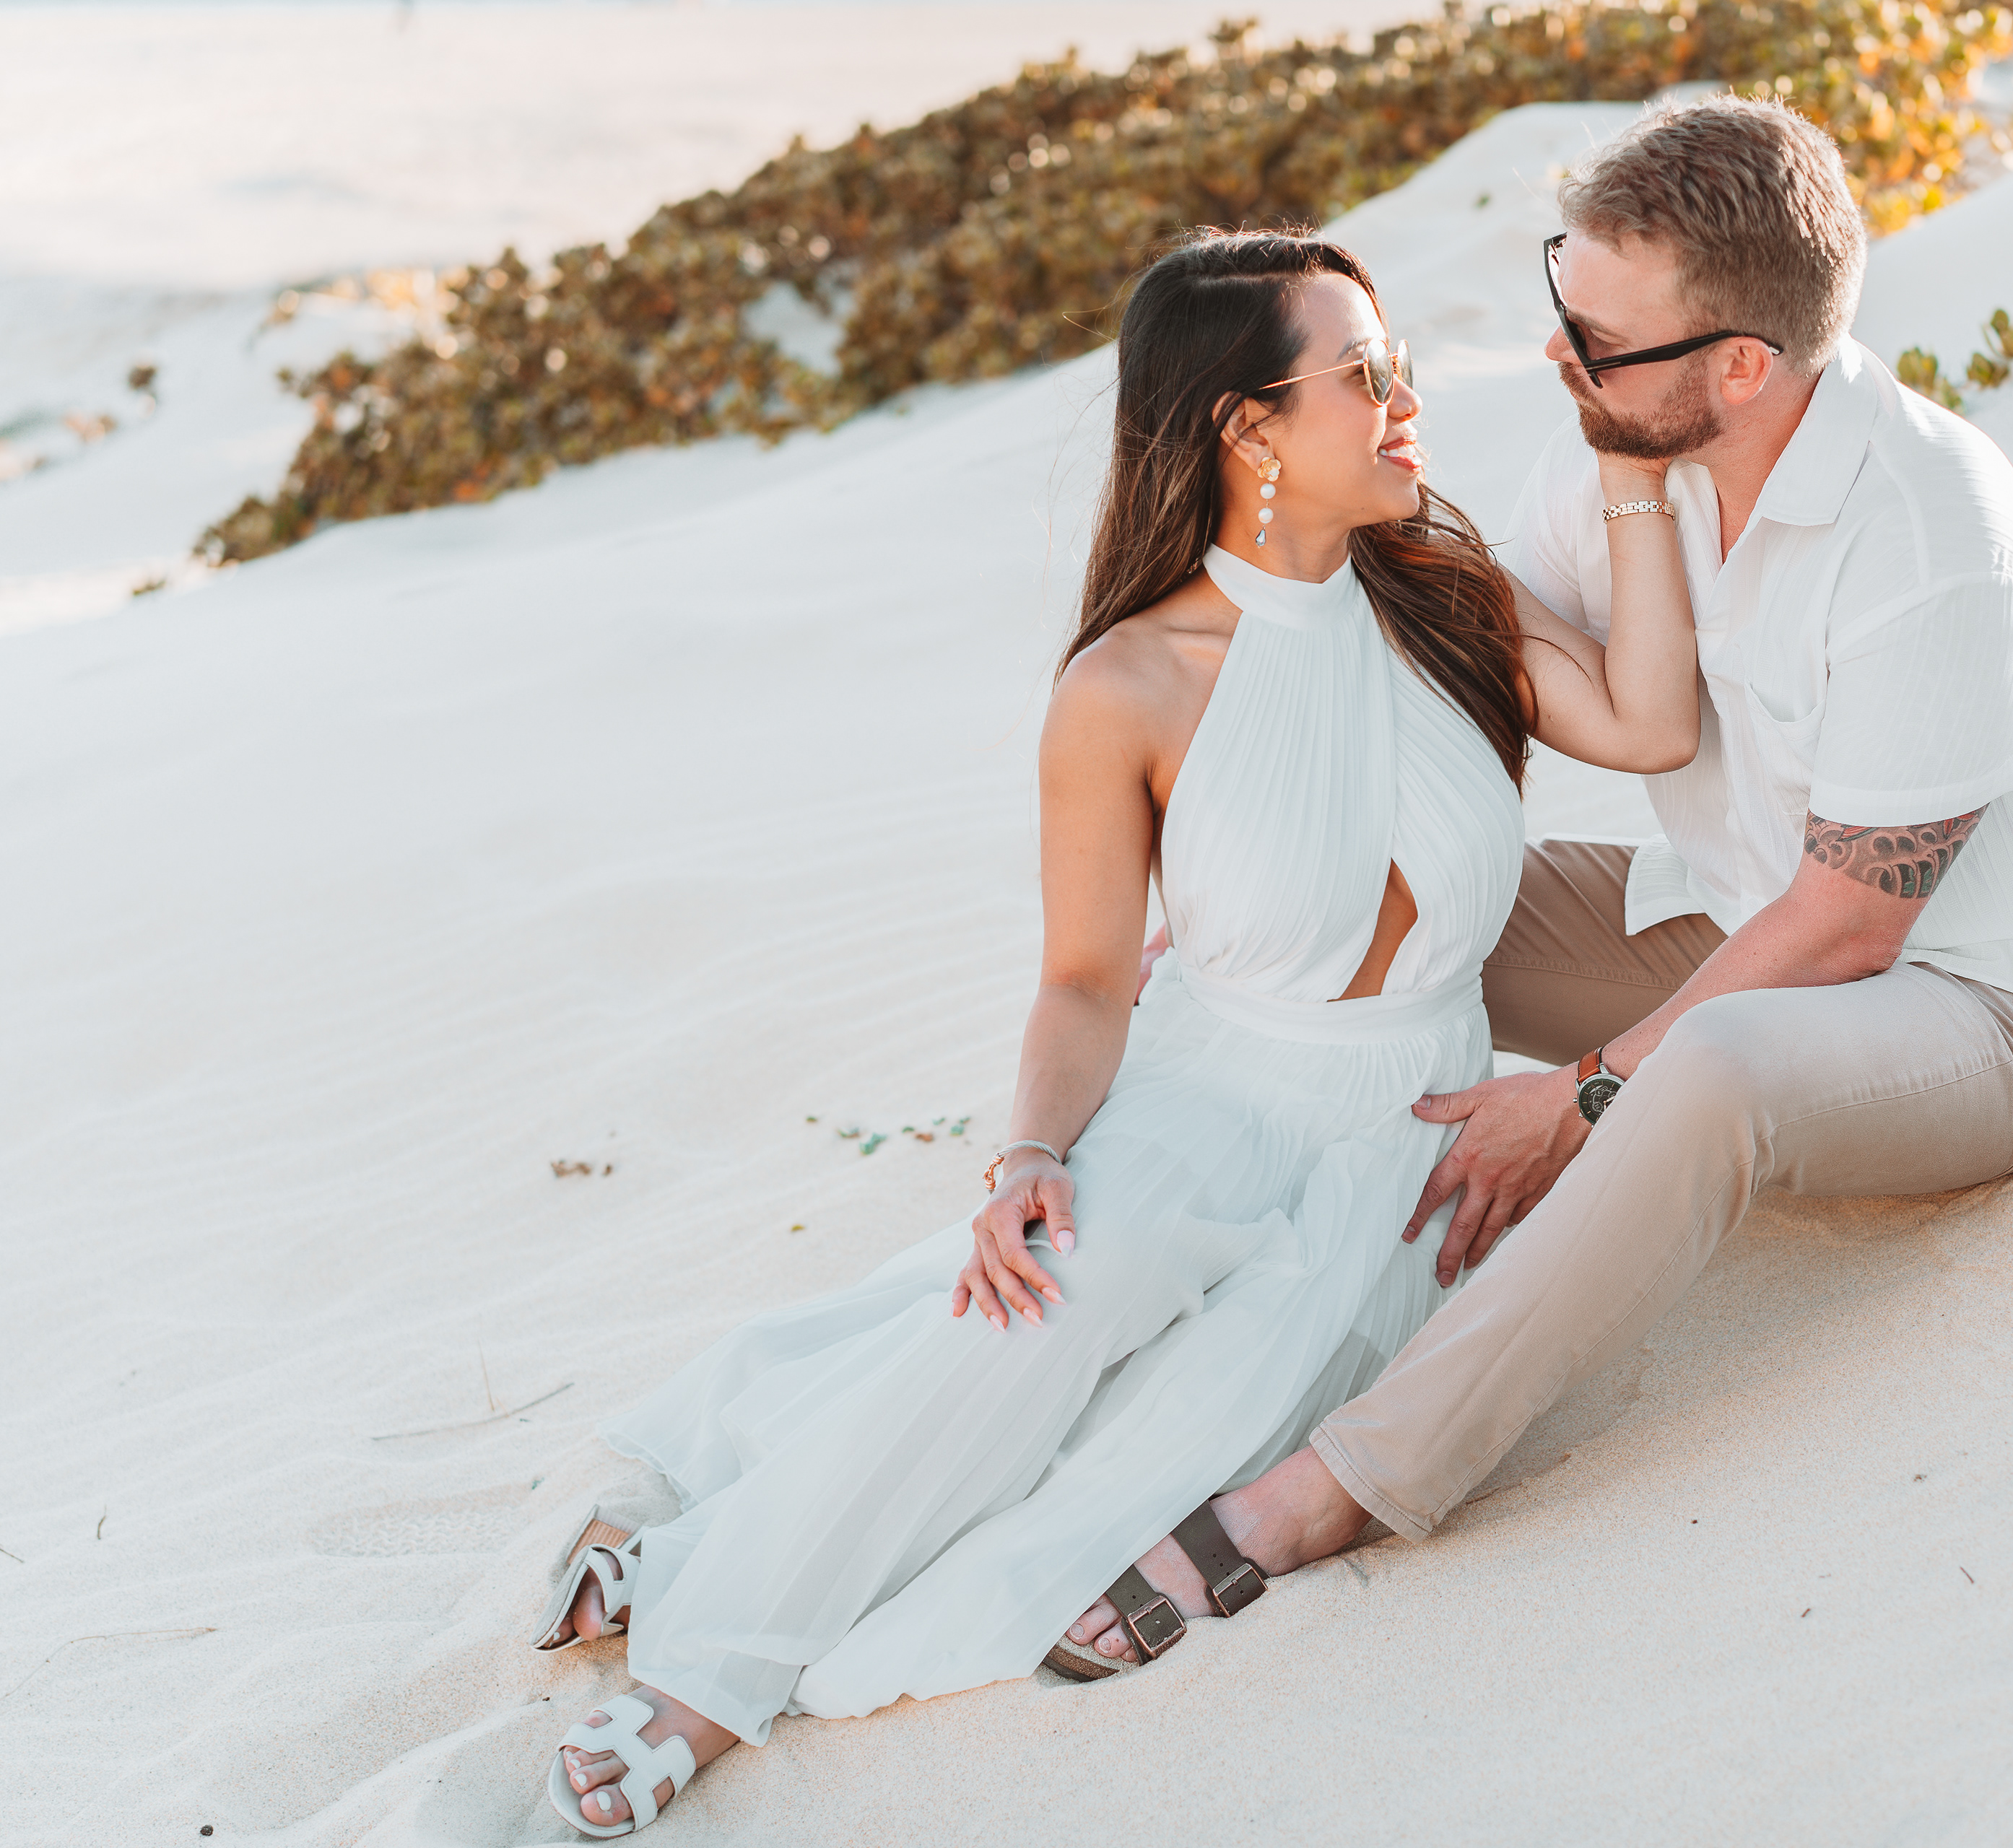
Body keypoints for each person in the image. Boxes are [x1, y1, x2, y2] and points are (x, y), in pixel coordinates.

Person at [531, 228, 1706, 1834]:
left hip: (1413, 1122)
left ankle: (714, 1528)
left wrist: (1627, 460)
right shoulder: (1129, 683)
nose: (1406, 401)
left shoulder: (1451, 597)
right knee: (1045, 1315)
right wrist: (1029, 1151)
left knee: (1177, 1437)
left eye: (1400, 367)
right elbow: (1087, 976)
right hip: (1217, 1086)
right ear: (1246, 426)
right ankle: (709, 1665)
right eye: (1366, 374)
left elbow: (1652, 720)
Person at [1058, 95, 2013, 1660]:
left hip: (1995, 1003)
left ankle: (1348, 1479)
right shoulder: (1637, 450)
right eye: (1561, 307)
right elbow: (1479, 672)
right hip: (1729, 919)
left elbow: (1849, 924)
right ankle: (1179, 1249)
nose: (1561, 358)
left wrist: (1581, 1096)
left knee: (1707, 1068)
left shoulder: (1931, 534)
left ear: (1742, 366)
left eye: (1601, 342)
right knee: (1381, 911)